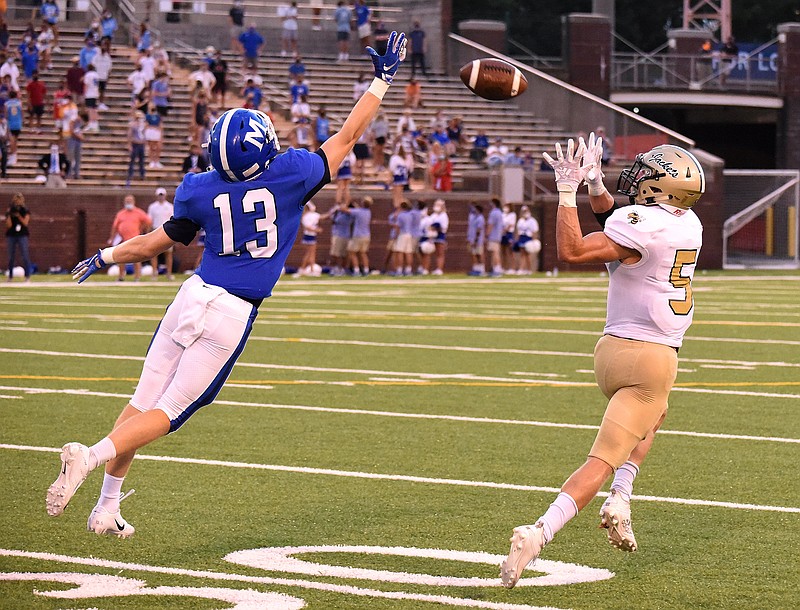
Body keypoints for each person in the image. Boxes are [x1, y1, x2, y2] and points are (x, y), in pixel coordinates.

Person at [47, 34, 406, 538]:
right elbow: (347, 135)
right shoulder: (291, 173)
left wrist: (105, 255)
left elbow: (157, 243)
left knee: (143, 398)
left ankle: (106, 508)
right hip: (231, 310)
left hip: (192, 294)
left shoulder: (198, 188)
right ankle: (91, 455)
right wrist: (382, 78)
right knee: (169, 412)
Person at [500, 134, 705, 588]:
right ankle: (539, 532)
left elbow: (606, 234)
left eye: (648, 174)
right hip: (652, 357)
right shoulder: (689, 224)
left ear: (663, 187)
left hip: (612, 352)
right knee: (602, 459)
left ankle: (621, 499)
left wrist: (573, 191)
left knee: (655, 418)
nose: (638, 177)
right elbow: (595, 238)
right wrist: (585, 186)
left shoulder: (641, 225)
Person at [107, 195, 152, 281]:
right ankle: (121, 276)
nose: (128, 202)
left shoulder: (138, 212)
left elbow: (148, 221)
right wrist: (112, 238)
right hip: (123, 239)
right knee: (121, 258)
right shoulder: (121, 213)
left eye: (130, 201)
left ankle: (137, 276)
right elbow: (115, 226)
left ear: (134, 202)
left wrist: (144, 231)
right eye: (127, 201)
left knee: (136, 258)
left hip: (135, 239)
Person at [148, 187, 174, 279]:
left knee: (168, 253)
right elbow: (150, 220)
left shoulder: (170, 206)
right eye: (159, 195)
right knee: (154, 253)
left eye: (162, 195)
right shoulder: (152, 207)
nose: (161, 197)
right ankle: (154, 273)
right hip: (156, 230)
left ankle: (169, 273)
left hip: (167, 231)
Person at [5, 192, 31, 281]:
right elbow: (8, 225)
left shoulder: (25, 210)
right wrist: (9, 214)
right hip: (12, 235)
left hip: (22, 234)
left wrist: (19, 216)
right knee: (11, 256)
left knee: (25, 255)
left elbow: (25, 223)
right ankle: (10, 276)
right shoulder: (11, 210)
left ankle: (27, 276)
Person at [347, 196, 371, 275]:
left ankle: (356, 270)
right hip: (366, 235)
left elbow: (345, 210)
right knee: (363, 253)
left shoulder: (358, 211)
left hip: (358, 235)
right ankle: (366, 270)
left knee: (352, 252)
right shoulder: (368, 212)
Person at [296, 201, 321, 276]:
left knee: (309, 253)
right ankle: (307, 269)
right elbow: (308, 227)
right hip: (309, 236)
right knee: (311, 253)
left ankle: (305, 269)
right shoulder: (305, 217)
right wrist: (317, 230)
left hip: (309, 236)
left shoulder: (309, 216)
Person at [512, 205, 539, 274]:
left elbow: (534, 231)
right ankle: (523, 268)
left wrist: (534, 240)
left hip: (528, 238)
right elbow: (518, 231)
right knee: (522, 253)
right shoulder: (521, 221)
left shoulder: (532, 221)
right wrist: (516, 240)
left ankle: (527, 269)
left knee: (527, 254)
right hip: (522, 237)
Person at [392, 199, 414, 275]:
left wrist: (396, 235)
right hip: (409, 234)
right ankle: (408, 269)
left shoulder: (401, 215)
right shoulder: (410, 215)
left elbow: (398, 226)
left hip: (402, 234)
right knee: (408, 252)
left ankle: (399, 269)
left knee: (400, 252)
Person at [65, 109, 86, 179]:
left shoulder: (80, 123)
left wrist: (81, 137)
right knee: (70, 158)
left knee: (78, 158)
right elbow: (71, 131)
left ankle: (76, 173)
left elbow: (79, 130)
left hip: (78, 141)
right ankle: (69, 173)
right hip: (72, 140)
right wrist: (79, 137)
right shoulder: (73, 120)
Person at [429, 198, 448, 275]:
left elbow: (442, 227)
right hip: (431, 235)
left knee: (440, 253)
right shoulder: (434, 215)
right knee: (432, 252)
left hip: (440, 235)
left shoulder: (444, 215)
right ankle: (433, 268)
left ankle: (439, 269)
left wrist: (435, 227)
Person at [485, 197, 504, 276]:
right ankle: (495, 268)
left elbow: (490, 225)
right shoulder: (500, 212)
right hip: (498, 235)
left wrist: (487, 234)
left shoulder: (493, 213)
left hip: (493, 235)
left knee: (495, 252)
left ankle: (497, 269)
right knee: (495, 252)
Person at [466, 203, 485, 276]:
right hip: (471, 239)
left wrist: (476, 240)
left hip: (477, 240)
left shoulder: (480, 218)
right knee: (473, 254)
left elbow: (479, 230)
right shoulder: (473, 217)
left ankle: (482, 269)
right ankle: (476, 268)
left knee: (479, 254)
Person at [94, 39, 112, 110]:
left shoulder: (107, 57)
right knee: (96, 90)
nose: (104, 47)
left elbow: (109, 68)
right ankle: (95, 103)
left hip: (104, 77)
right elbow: (93, 65)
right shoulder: (96, 56)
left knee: (102, 91)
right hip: (97, 76)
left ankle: (101, 103)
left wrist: (108, 77)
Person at [500, 202, 516, 273]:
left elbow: (511, 224)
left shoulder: (512, 215)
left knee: (510, 251)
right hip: (502, 234)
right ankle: (504, 267)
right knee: (503, 251)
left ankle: (512, 268)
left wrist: (505, 230)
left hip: (509, 233)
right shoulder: (502, 214)